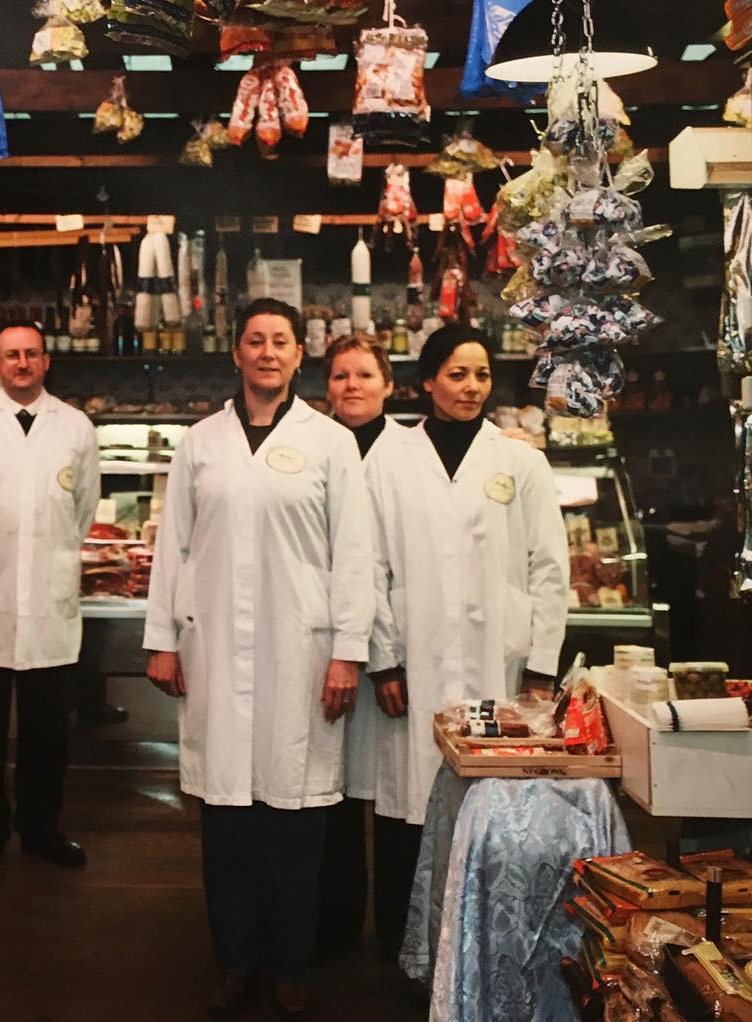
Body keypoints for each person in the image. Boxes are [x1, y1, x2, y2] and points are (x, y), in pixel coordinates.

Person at [143, 298, 376, 1019]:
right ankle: (236, 961)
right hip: (214, 650)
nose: (267, 352)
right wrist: (162, 640)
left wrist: (348, 653)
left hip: (301, 652)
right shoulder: (200, 443)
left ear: (299, 355)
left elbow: (355, 555)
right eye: (255, 340)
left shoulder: (329, 443)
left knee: (295, 823)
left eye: (280, 341)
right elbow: (174, 546)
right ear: (237, 353)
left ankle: (291, 965)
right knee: (227, 823)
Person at [365, 323, 569, 837]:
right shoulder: (389, 460)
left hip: (499, 658)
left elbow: (549, 567)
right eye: (457, 375)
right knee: (416, 811)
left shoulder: (521, 460)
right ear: (428, 381)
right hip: (416, 658)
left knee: (495, 809)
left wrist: (542, 666)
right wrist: (383, 661)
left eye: (482, 375)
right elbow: (370, 564)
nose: (472, 387)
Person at [0, 320, 101, 874]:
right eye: (11, 355)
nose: (22, 363)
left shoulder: (75, 426)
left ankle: (41, 827)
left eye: (31, 353)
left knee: (47, 728)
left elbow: (83, 508)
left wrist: (50, 550)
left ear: (46, 361)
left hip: (49, 599)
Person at [313, 336, 415, 963]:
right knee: (336, 798)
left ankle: (399, 934)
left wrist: (385, 654)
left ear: (389, 385)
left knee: (398, 801)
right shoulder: (314, 444)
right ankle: (336, 926)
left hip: (399, 646)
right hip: (328, 642)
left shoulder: (412, 451)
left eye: (364, 375)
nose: (352, 386)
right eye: (340, 376)